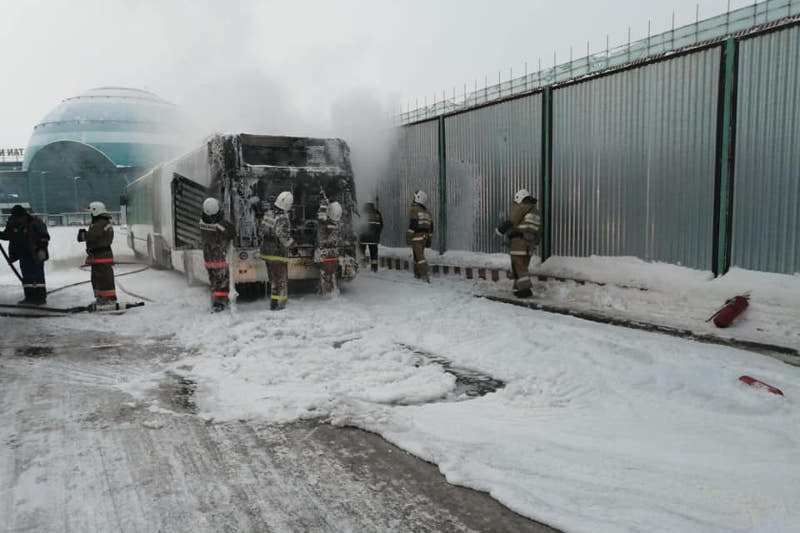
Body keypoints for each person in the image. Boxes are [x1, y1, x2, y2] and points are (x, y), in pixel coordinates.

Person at [495, 188, 541, 298]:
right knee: (522, 267)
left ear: (520, 198)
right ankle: (518, 289)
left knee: (518, 267)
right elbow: (539, 231)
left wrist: (498, 232)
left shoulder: (522, 207)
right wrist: (535, 243)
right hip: (529, 245)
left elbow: (511, 221)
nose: (516, 204)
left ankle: (525, 290)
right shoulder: (536, 211)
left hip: (519, 244)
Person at [0, 204, 49, 305]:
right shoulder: (12, 222)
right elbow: (7, 235)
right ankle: (29, 297)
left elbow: (44, 236)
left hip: (35, 253)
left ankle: (40, 298)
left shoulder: (34, 222)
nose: (17, 219)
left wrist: (41, 248)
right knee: (27, 277)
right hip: (23, 254)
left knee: (38, 276)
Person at [259, 191, 295, 310]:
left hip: (266, 251)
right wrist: (292, 246)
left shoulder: (268, 213)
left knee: (273, 280)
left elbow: (261, 231)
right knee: (280, 280)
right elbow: (283, 236)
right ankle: (278, 305)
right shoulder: (283, 218)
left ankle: (274, 302)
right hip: (277, 253)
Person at [200, 197, 235, 312]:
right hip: (218, 258)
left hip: (208, 259)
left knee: (214, 281)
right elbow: (231, 232)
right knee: (222, 282)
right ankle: (219, 304)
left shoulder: (202, 222)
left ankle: (214, 301)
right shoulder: (220, 226)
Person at [79, 201, 117, 306]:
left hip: (102, 255)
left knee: (104, 277)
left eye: (91, 212)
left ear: (96, 211)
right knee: (97, 278)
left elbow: (93, 236)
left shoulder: (100, 223)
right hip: (99, 255)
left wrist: (83, 235)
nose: (90, 215)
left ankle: (109, 298)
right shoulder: (101, 222)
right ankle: (101, 297)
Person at [316, 200, 342, 298]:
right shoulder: (337, 225)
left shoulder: (323, 223)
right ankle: (331, 291)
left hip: (323, 252)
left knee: (326, 274)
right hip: (333, 253)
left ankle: (326, 292)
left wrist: (323, 205)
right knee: (331, 274)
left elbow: (321, 216)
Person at [407, 190, 433, 282]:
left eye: (414, 197)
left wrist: (408, 237)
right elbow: (431, 227)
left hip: (417, 237)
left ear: (418, 198)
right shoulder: (427, 212)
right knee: (417, 256)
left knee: (420, 257)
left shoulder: (414, 210)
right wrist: (429, 239)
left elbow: (413, 225)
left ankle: (425, 276)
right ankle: (417, 274)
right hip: (424, 237)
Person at [358, 201, 383, 272]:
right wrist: (377, 234)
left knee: (362, 253)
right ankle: (374, 269)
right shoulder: (377, 213)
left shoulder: (362, 213)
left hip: (363, 238)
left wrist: (359, 234)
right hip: (374, 239)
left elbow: (358, 225)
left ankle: (362, 267)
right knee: (374, 255)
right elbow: (381, 225)